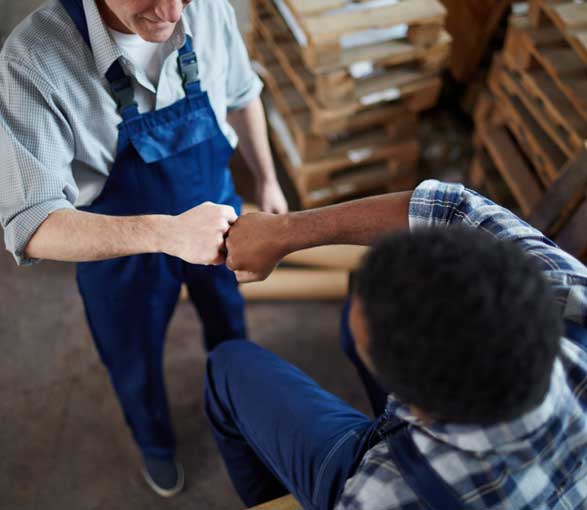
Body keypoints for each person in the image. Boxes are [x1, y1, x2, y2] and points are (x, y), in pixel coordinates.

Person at [0, 0, 287, 497]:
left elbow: (242, 95)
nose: (172, 12)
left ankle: (243, 408)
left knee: (230, 324)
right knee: (132, 355)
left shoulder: (209, 9)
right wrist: (166, 233)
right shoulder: (32, 59)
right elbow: (31, 223)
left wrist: (268, 180)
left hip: (218, 218)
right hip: (119, 253)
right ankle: (155, 444)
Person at [204, 180, 587, 509]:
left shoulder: (379, 495)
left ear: (411, 406)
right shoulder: (572, 293)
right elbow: (453, 208)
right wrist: (285, 230)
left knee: (228, 365)